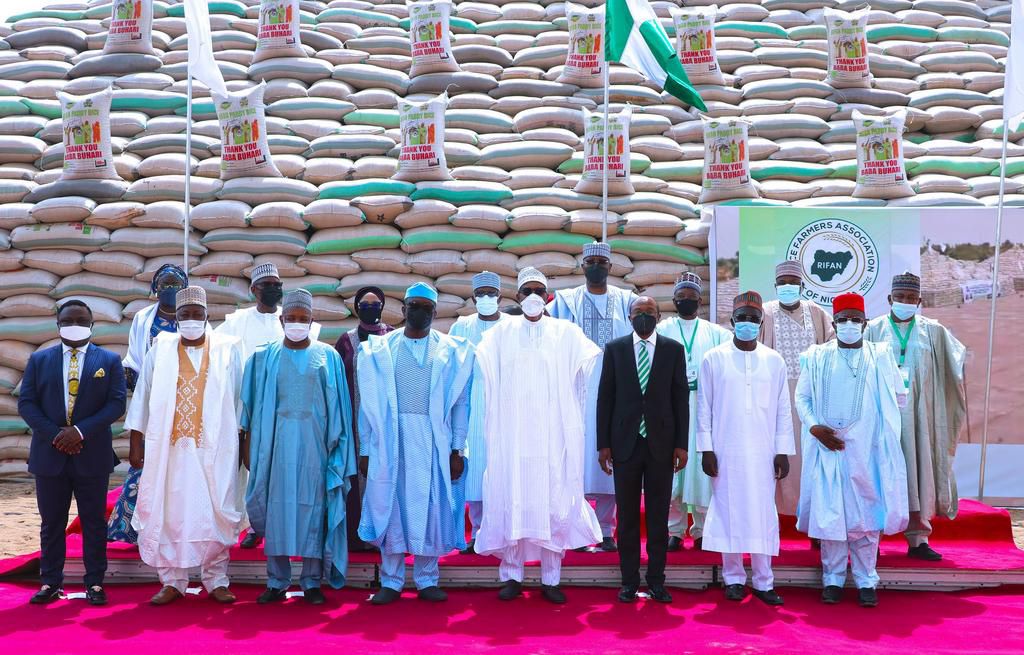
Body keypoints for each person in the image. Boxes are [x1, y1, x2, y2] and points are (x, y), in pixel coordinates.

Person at [475, 267, 603, 604]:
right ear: (517, 297)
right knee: (512, 498)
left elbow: (588, 361)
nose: (532, 296)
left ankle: (551, 578)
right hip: (513, 435)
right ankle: (513, 574)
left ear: (547, 297)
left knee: (552, 500)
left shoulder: (565, 332)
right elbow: (484, 364)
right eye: (525, 290)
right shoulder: (500, 334)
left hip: (552, 437)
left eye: (538, 290)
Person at [125, 286, 245, 606]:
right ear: (176, 318)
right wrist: (135, 442)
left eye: (197, 314)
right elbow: (143, 398)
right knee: (168, 510)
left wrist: (243, 443)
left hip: (215, 445)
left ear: (207, 316)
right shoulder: (160, 348)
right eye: (185, 315)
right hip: (169, 447)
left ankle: (216, 579)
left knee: (216, 510)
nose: (191, 319)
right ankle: (173, 581)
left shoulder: (228, 348)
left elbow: (240, 400)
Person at [357, 283, 474, 604]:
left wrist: (456, 448)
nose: (418, 312)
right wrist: (366, 450)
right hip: (390, 439)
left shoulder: (453, 352)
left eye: (425, 307)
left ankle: (426, 579)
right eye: (412, 306)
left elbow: (461, 405)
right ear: (403, 309)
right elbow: (367, 407)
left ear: (435, 313)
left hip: (434, 440)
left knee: (431, 506)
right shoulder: (379, 350)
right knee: (391, 505)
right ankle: (391, 582)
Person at [242, 290, 356, 605]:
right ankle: (277, 581)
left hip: (316, 449)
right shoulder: (263, 357)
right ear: (281, 320)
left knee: (314, 510)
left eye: (302, 319)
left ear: (311, 321)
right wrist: (248, 447)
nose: (296, 324)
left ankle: (311, 581)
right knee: (276, 509)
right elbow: (249, 411)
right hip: (275, 449)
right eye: (290, 319)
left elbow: (340, 412)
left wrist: (338, 450)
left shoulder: (328, 356)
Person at [796, 292, 909, 608]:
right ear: (833, 323)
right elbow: (801, 398)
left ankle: (866, 581)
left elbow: (898, 399)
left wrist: (875, 433)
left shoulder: (880, 356)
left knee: (866, 519)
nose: (849, 324)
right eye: (843, 319)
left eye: (855, 320)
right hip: (827, 449)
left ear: (865, 323)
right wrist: (815, 427)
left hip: (866, 452)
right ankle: (831, 580)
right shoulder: (816, 357)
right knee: (830, 517)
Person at [19, 300, 127, 606]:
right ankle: (50, 582)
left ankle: (94, 582)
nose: (74, 324)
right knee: (51, 523)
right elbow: (27, 403)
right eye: (68, 320)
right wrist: (57, 435)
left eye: (81, 320)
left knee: (94, 522)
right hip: (49, 456)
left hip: (91, 455)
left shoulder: (109, 360)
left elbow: (117, 403)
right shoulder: (40, 360)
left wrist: (79, 432)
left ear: (92, 325)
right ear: (58, 325)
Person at [697, 291, 794, 606]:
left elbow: (782, 409)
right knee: (729, 512)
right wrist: (706, 449)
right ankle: (734, 579)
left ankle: (765, 582)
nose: (748, 323)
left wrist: (782, 451)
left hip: (764, 451)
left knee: (763, 513)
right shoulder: (714, 358)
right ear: (732, 320)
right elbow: (704, 408)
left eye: (754, 319)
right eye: (743, 318)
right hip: (726, 451)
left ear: (761, 322)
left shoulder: (773, 360)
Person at [217, 262, 320, 549]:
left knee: (283, 468)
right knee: (248, 469)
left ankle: (280, 523)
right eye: (267, 285)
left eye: (277, 284)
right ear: (253, 290)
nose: (274, 289)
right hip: (248, 405)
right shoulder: (236, 322)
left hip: (288, 409)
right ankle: (250, 524)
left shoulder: (292, 320)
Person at [865, 272, 966, 561]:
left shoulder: (933, 330)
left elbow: (955, 360)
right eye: (900, 298)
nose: (905, 302)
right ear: (889, 299)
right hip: (884, 416)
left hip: (919, 415)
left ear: (919, 301)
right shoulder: (873, 329)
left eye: (911, 298)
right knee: (880, 471)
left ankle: (918, 539)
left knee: (918, 471)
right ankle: (872, 538)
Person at [597, 296, 688, 604]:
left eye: (650, 313)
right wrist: (603, 445)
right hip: (625, 444)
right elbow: (605, 398)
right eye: (638, 313)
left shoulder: (673, 350)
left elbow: (680, 400)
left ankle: (656, 581)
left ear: (659, 316)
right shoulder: (615, 349)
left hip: (662, 445)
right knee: (627, 519)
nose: (644, 318)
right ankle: (628, 581)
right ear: (629, 316)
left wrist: (681, 444)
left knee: (658, 517)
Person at [547, 242, 637, 552]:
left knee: (611, 456)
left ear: (611, 267)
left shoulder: (627, 300)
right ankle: (574, 527)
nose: (596, 266)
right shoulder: (565, 301)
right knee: (576, 457)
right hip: (577, 390)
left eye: (602, 261)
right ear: (582, 266)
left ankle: (606, 529)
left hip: (616, 389)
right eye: (590, 261)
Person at [109, 264, 187, 545]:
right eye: (164, 284)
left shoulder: (192, 317)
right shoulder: (143, 318)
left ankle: (174, 532)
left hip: (185, 403)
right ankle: (128, 530)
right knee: (144, 467)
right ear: (155, 288)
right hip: (152, 401)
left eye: (176, 284)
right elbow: (135, 356)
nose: (170, 290)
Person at [656, 272, 730, 551]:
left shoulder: (716, 333)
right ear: (674, 300)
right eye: (681, 297)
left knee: (700, 473)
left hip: (702, 408)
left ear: (700, 300)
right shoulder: (662, 329)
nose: (686, 300)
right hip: (670, 407)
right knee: (671, 470)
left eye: (692, 297)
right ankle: (674, 530)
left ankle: (701, 530)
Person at [757, 260, 834, 518]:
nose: (788, 287)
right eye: (783, 283)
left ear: (802, 285)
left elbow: (832, 349)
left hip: (811, 401)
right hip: (774, 400)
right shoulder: (764, 313)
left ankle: (813, 520)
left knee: (811, 461)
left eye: (793, 283)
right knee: (774, 458)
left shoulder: (817, 313)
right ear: (775, 285)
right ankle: (772, 521)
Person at [448, 271, 507, 554]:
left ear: (501, 297)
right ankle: (477, 532)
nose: (486, 298)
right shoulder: (461, 326)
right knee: (474, 471)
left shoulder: (512, 326)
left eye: (490, 294)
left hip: (506, 405)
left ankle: (503, 532)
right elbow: (451, 366)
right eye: (480, 294)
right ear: (473, 298)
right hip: (471, 406)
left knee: (501, 468)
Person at [335, 286, 394, 552]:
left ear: (382, 306)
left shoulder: (393, 337)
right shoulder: (345, 341)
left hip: (384, 420)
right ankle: (356, 535)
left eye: (375, 304)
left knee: (384, 474)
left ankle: (385, 534)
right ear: (356, 307)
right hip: (352, 419)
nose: (370, 308)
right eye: (365, 304)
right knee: (356, 475)